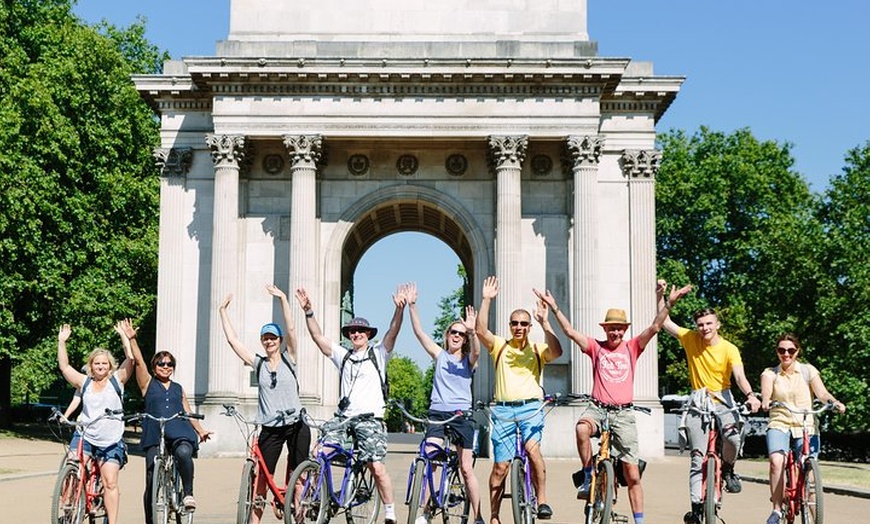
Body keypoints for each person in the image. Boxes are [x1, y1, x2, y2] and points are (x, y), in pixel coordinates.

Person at [534, 281, 689, 524]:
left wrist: (669, 303)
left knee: (632, 474)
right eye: (611, 329)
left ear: (624, 330)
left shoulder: (633, 347)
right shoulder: (596, 347)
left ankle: (639, 521)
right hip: (597, 408)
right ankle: (587, 474)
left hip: (624, 414)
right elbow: (570, 332)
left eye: (619, 329)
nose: (615, 333)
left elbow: (656, 326)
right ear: (605, 329)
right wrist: (554, 308)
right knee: (581, 428)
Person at [294, 284, 406, 524]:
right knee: (318, 453)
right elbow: (318, 337)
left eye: (361, 331)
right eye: (352, 331)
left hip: (370, 418)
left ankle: (389, 512)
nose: (356, 334)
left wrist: (399, 310)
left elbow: (393, 332)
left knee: (375, 465)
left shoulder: (378, 354)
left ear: (368, 335)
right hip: (343, 418)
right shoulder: (343, 355)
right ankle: (317, 497)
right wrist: (308, 312)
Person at [659, 283, 761, 524]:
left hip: (723, 398)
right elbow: (664, 322)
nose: (704, 328)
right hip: (698, 400)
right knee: (697, 457)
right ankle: (696, 508)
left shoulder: (729, 348)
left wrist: (750, 395)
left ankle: (727, 468)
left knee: (733, 438)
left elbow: (739, 376)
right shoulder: (690, 339)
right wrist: (663, 297)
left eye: (709, 324)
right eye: (701, 324)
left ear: (717, 325)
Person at [219, 284, 311, 524]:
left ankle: (298, 516)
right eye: (265, 338)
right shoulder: (258, 363)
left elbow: (291, 328)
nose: (269, 341)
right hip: (270, 427)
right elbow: (233, 341)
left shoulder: (290, 358)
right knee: (261, 478)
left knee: (298, 475)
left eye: (273, 337)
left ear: (279, 341)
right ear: (262, 341)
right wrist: (222, 311)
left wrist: (282, 298)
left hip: (296, 424)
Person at [475, 275, 563, 523]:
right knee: (500, 468)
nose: (519, 327)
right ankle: (494, 515)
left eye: (523, 323)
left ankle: (542, 500)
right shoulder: (500, 346)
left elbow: (557, 351)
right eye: (514, 323)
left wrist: (546, 323)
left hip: (531, 410)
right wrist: (486, 300)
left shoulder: (537, 349)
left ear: (529, 326)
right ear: (509, 325)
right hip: (503, 411)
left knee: (533, 452)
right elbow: (480, 331)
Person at [118, 319, 212, 523]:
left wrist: (200, 430)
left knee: (184, 453)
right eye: (161, 363)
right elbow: (140, 362)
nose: (166, 367)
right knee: (151, 478)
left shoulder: (178, 388)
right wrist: (132, 339)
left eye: (170, 364)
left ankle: (187, 493)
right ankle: (151, 519)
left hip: (179, 431)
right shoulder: (147, 384)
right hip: (155, 433)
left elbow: (188, 412)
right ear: (154, 367)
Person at [406, 282, 484, 524]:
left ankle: (478, 516)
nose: (457, 336)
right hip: (438, 413)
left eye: (461, 334)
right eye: (454, 332)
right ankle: (426, 511)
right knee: (431, 458)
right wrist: (412, 306)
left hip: (461, 415)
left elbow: (478, 353)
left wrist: (473, 331)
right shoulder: (439, 355)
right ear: (447, 335)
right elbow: (420, 333)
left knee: (466, 467)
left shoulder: (469, 361)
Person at [760, 334, 846, 524]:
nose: (786, 354)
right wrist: (766, 401)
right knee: (776, 461)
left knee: (811, 474)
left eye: (791, 350)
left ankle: (816, 520)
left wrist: (834, 402)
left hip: (806, 423)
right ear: (777, 352)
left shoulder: (808, 371)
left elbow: (822, 393)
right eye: (782, 350)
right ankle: (776, 510)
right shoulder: (770, 373)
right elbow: (766, 393)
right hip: (780, 422)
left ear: (797, 351)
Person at [56, 321, 136, 524]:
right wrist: (61, 342)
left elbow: (131, 360)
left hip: (110, 440)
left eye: (104, 363)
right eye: (96, 363)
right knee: (72, 462)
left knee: (110, 483)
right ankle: (69, 502)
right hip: (86, 435)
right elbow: (64, 367)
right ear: (91, 366)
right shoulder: (84, 383)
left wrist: (125, 338)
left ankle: (112, 520)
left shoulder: (117, 381)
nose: (100, 366)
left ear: (110, 366)